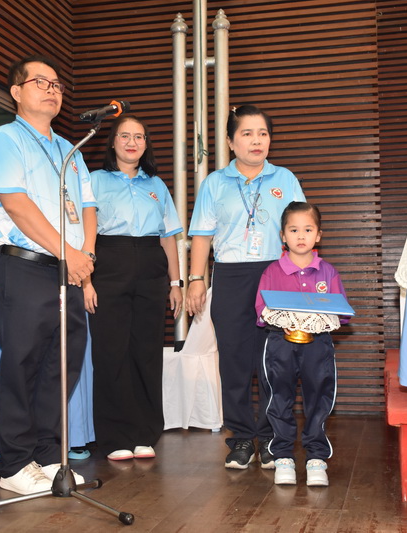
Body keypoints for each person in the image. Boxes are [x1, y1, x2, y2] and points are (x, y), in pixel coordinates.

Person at [0, 54, 97, 495]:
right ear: (16, 92)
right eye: (40, 82)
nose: (51, 89)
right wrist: (68, 253)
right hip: (26, 267)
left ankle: (48, 456)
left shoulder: (70, 149)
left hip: (69, 270)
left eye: (56, 84)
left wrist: (84, 257)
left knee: (61, 366)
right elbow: (16, 203)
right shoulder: (5, 139)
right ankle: (13, 464)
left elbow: (88, 208)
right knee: (22, 364)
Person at [186, 105, 306, 469]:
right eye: (247, 134)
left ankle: (270, 437)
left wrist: (301, 278)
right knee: (234, 361)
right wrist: (196, 280)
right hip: (231, 275)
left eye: (263, 133)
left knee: (275, 361)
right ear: (230, 141)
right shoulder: (214, 183)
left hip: (276, 273)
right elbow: (201, 236)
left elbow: (301, 230)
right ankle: (240, 438)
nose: (256, 141)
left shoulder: (285, 178)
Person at [86, 115, 183, 461]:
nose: (132, 142)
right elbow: (84, 234)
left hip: (151, 266)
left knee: (147, 350)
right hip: (108, 262)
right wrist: (85, 280)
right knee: (111, 351)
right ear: (112, 142)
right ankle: (115, 436)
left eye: (139, 136)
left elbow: (169, 237)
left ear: (146, 144)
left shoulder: (156, 185)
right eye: (125, 136)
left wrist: (176, 283)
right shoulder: (94, 180)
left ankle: (145, 433)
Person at [254, 201, 348, 486]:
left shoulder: (328, 272)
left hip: (318, 345)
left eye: (308, 229)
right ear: (283, 235)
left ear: (318, 235)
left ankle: (316, 457)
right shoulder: (272, 271)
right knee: (278, 397)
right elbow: (261, 308)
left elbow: (341, 312)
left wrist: (322, 318)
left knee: (319, 397)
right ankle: (283, 455)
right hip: (279, 343)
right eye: (293, 230)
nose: (301, 236)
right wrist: (282, 319)